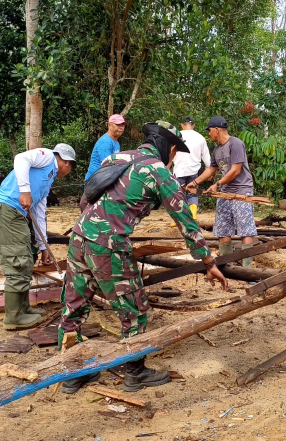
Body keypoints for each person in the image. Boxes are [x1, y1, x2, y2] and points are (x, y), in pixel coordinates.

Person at [58, 122, 228, 394]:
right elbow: (185, 220)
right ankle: (135, 373)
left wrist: (95, 226)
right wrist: (208, 261)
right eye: (175, 153)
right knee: (134, 309)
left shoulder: (116, 158)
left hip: (79, 237)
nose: (173, 159)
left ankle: (71, 373)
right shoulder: (159, 172)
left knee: (74, 305)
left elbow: (86, 199)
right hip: (109, 245)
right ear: (169, 148)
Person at [0, 144, 77, 329]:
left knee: (26, 260)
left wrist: (44, 247)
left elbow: (39, 214)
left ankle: (23, 309)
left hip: (15, 213)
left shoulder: (47, 181)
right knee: (17, 261)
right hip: (6, 210)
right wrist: (25, 191)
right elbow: (21, 158)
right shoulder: (48, 156)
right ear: (67, 163)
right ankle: (13, 318)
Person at [186, 116, 257, 268]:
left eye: (210, 130)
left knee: (245, 230)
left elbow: (235, 170)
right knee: (223, 229)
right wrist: (195, 182)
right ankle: (227, 266)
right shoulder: (217, 150)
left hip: (241, 193)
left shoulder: (235, 144)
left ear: (217, 130)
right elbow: (211, 169)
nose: (209, 133)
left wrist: (217, 184)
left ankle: (247, 268)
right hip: (225, 193)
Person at [172, 116, 211, 221]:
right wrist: (209, 171)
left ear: (182, 125)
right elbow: (206, 157)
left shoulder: (176, 136)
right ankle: (193, 214)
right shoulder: (200, 137)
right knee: (192, 193)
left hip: (179, 170)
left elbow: (170, 153)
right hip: (194, 171)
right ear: (193, 125)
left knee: (178, 195)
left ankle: (179, 219)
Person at [84, 114, 126, 181]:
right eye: (118, 124)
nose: (121, 127)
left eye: (123, 125)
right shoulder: (105, 141)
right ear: (109, 125)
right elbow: (107, 164)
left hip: (104, 178)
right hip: (94, 181)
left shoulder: (116, 143)